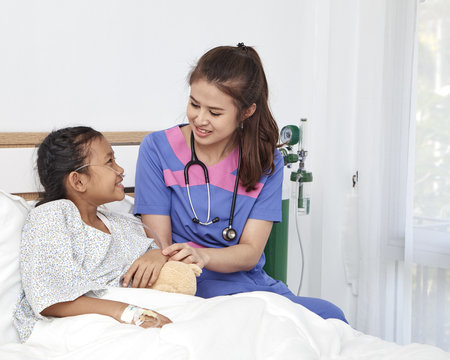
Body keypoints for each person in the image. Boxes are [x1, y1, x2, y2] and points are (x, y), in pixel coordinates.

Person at [134, 43, 347, 322]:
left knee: (331, 317)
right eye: (194, 104)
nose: (200, 119)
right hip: (186, 282)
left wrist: (205, 256)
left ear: (246, 112)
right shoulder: (157, 149)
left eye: (215, 112)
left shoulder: (265, 161)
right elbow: (159, 243)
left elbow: (249, 252)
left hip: (247, 284)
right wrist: (191, 262)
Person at [13, 126, 171, 343]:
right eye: (109, 162)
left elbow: (150, 249)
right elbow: (51, 299)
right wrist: (129, 313)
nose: (120, 169)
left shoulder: (117, 222)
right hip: (72, 324)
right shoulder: (51, 216)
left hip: (124, 312)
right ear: (78, 181)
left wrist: (156, 254)